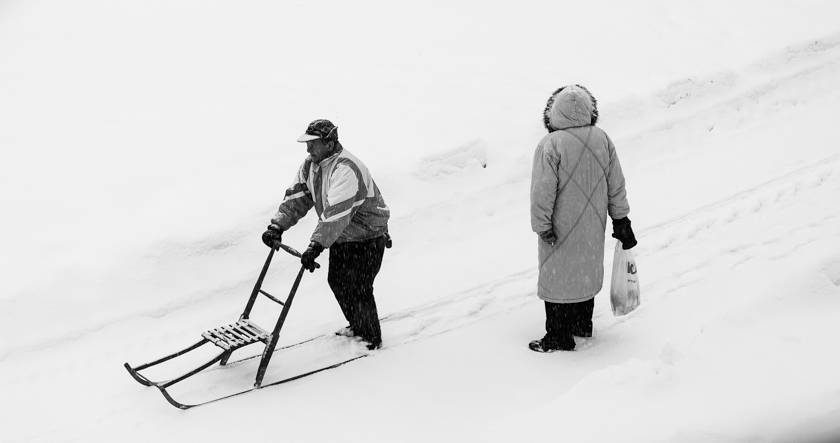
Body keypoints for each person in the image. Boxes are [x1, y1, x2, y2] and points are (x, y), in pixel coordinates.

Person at [262, 119, 391, 350]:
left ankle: (371, 337)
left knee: (358, 286)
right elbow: (297, 199)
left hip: (368, 235)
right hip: (342, 235)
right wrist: (277, 226)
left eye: (313, 143)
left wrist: (316, 246)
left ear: (330, 144)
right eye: (307, 143)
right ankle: (357, 326)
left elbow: (336, 213)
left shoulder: (347, 168)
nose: (308, 148)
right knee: (338, 282)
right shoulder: (311, 165)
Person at [529, 85, 637, 353]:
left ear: (554, 113)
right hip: (592, 224)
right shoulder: (602, 139)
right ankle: (581, 325)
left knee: (558, 277)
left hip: (559, 227)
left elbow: (542, 192)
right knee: (585, 271)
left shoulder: (550, 145)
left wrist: (542, 226)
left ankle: (557, 336)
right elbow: (616, 185)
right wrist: (621, 218)